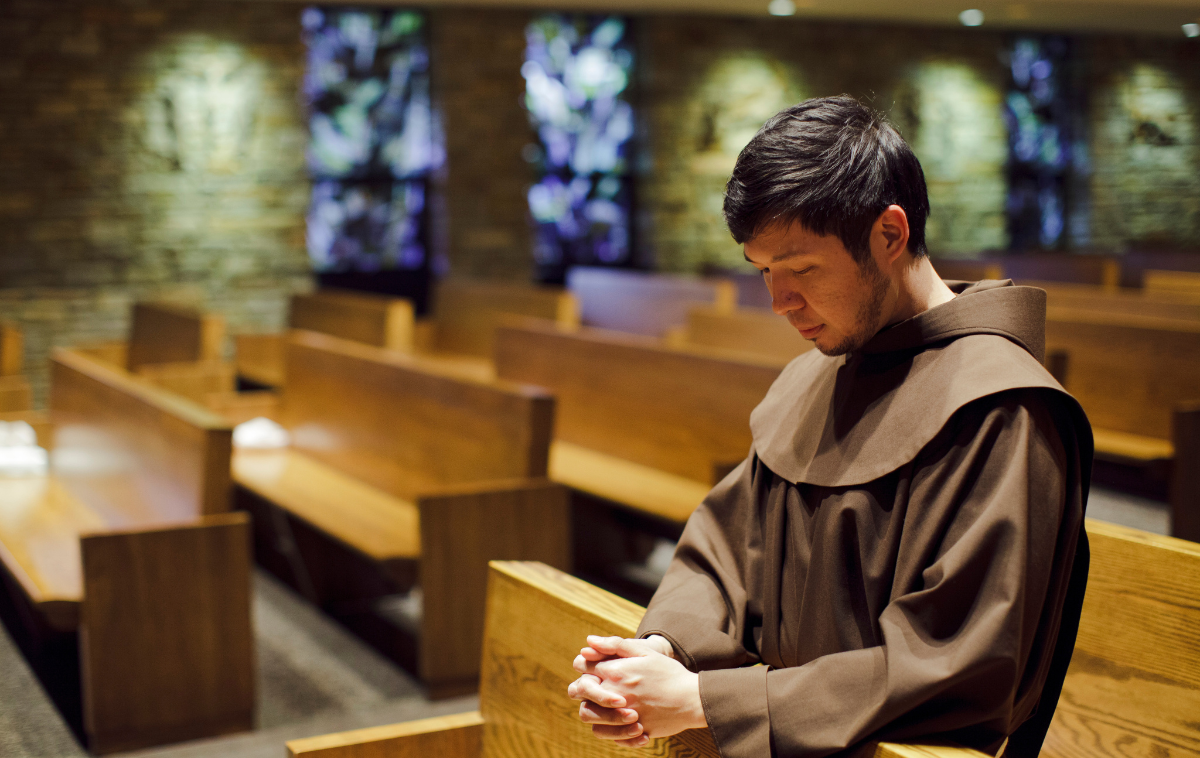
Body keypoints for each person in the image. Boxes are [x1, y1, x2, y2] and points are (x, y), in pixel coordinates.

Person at [566, 95, 1092, 758]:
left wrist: (706, 701)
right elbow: (721, 552)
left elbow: (951, 659)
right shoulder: (816, 373)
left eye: (802, 269)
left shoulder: (999, 408)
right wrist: (660, 652)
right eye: (763, 272)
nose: (780, 303)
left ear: (890, 234)